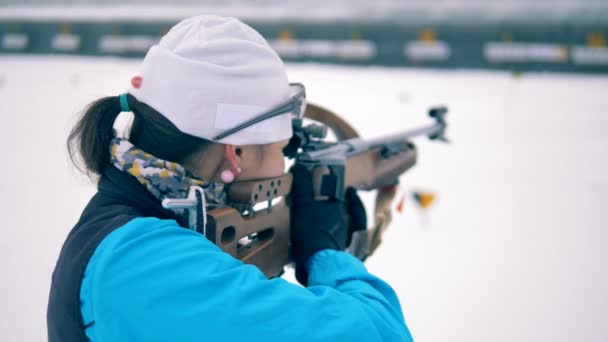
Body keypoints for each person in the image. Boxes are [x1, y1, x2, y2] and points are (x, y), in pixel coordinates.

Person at [47, 15, 414, 342]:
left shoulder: (142, 230)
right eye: (282, 149)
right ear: (236, 152)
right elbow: (379, 333)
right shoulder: (142, 263)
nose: (285, 167)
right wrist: (327, 253)